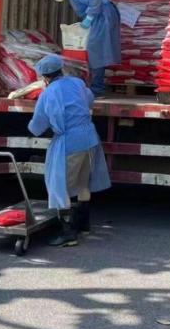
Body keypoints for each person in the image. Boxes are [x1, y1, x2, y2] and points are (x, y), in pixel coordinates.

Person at [28, 54, 111, 246]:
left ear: (44, 77)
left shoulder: (47, 94)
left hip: (70, 142)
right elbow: (89, 100)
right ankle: (83, 223)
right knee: (83, 182)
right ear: (61, 69)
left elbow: (38, 125)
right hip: (90, 138)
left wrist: (31, 128)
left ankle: (67, 232)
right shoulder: (77, 82)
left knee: (60, 186)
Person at [43, 0, 121, 97]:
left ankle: (97, 90)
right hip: (101, 16)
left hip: (102, 16)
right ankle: (95, 86)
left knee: (96, 50)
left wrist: (89, 18)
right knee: (96, 50)